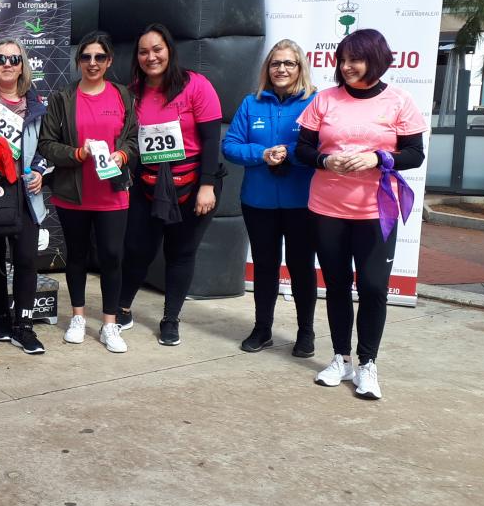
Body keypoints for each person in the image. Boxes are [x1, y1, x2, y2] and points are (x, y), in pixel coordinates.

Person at [296, 28, 426, 399]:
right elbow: (302, 149)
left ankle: (367, 365)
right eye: (343, 59)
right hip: (327, 209)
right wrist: (326, 159)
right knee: (336, 286)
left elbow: (415, 154)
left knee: (372, 288)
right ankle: (341, 359)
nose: (347, 66)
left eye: (356, 59)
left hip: (376, 211)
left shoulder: (400, 101)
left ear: (377, 59)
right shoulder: (324, 100)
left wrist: (378, 157)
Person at [118, 23, 224, 346]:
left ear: (170, 50)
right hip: (147, 185)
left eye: (157, 49)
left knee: (180, 252)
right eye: (144, 51)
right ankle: (121, 307)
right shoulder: (133, 91)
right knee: (137, 249)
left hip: (193, 184)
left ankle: (170, 318)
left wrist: (207, 185)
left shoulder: (196, 85)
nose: (151, 57)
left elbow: (211, 137)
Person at [38, 31, 139, 352]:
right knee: (77, 256)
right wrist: (77, 154)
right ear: (78, 61)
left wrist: (122, 155)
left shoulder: (123, 96)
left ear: (109, 61)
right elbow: (46, 144)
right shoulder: (62, 97)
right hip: (73, 194)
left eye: (99, 57)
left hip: (113, 193)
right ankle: (78, 317)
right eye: (86, 57)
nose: (92, 63)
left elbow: (133, 140)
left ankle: (110, 324)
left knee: (112, 256)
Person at [222, 40, 318, 357]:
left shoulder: (314, 103)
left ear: (300, 68)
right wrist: (261, 153)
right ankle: (262, 329)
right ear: (267, 69)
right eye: (275, 63)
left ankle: (306, 333)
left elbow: (323, 147)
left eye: (289, 63)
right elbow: (231, 146)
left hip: (302, 203)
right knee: (265, 266)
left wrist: (289, 153)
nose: (281, 69)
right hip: (258, 202)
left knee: (301, 267)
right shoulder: (252, 104)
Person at [0, 38, 49, 354]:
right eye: (1, 58)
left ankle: (24, 324)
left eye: (14, 59)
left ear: (23, 66)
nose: (7, 64)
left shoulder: (38, 105)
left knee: (26, 259)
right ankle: (3, 318)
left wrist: (42, 172)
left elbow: (48, 146)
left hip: (26, 195)